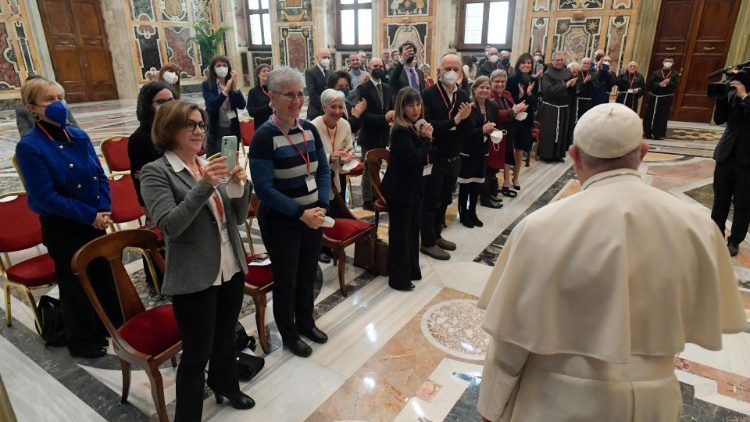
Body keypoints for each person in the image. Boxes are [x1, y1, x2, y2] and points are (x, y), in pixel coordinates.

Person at [476, 103, 747, 422]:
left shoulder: (541, 227)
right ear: (643, 151)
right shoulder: (698, 227)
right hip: (654, 402)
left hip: (556, 401)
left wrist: (490, 410)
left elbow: (510, 343)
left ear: (574, 155)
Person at [140, 100, 254, 421]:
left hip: (229, 265)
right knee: (196, 353)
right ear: (169, 129)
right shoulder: (157, 172)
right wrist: (204, 185)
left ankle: (227, 386)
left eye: (201, 124)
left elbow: (238, 215)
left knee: (225, 337)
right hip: (194, 274)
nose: (199, 130)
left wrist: (239, 184)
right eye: (190, 124)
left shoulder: (209, 162)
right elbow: (170, 225)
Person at [15, 77, 121, 358]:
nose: (58, 104)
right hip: (64, 226)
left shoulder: (79, 136)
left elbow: (99, 175)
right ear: (32, 107)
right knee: (75, 284)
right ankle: (83, 339)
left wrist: (104, 208)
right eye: (49, 99)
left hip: (95, 219)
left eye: (60, 97)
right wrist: (90, 216)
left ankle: (111, 325)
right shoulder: (30, 146)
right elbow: (45, 197)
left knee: (103, 274)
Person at [249, 66, 331, 358]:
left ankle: (306, 322)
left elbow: (322, 168)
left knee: (309, 273)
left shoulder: (308, 129)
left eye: (300, 94)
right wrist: (300, 213)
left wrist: (322, 203)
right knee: (287, 279)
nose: (297, 101)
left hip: (313, 216)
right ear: (272, 97)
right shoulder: (264, 136)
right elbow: (264, 189)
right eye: (290, 95)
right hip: (282, 221)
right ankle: (289, 334)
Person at [419, 53, 473, 260]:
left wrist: (462, 120)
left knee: (445, 199)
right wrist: (455, 121)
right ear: (439, 70)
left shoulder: (462, 95)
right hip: (435, 157)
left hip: (454, 156)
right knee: (430, 200)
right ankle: (427, 242)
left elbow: (467, 128)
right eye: (447, 68)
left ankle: (437, 234)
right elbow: (430, 125)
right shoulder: (428, 94)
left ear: (461, 72)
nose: (451, 73)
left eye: (455, 69)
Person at [380, 88, 433, 291]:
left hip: (411, 187)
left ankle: (411, 270)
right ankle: (398, 279)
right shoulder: (400, 131)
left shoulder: (412, 127)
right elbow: (414, 160)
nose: (416, 108)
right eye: (411, 105)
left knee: (412, 231)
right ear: (402, 107)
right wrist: (427, 140)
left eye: (418, 104)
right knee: (401, 235)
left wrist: (426, 139)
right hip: (400, 191)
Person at [711, 75, 750, 257]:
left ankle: (734, 240)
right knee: (721, 198)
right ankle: (715, 234)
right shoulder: (732, 95)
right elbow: (719, 120)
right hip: (726, 154)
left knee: (743, 202)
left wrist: (745, 97)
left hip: (747, 159)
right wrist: (721, 98)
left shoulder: (742, 95)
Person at [458, 76, 498, 228]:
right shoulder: (469, 106)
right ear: (474, 89)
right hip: (468, 151)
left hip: (483, 150)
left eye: (487, 88)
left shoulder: (492, 106)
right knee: (466, 184)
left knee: (477, 184)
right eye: (481, 87)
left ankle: (473, 212)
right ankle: (463, 215)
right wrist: (483, 130)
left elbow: (493, 124)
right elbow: (465, 132)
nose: (485, 90)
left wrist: (493, 131)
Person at [128, 81, 175, 207]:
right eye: (161, 102)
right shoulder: (139, 138)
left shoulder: (177, 128)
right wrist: (145, 208)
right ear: (149, 105)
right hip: (159, 198)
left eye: (171, 100)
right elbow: (139, 177)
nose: (168, 105)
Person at [356, 58, 394, 211]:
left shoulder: (386, 87)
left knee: (377, 166)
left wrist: (392, 115)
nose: (378, 68)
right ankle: (367, 200)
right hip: (369, 134)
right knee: (367, 168)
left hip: (383, 134)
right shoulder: (363, 88)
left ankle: (376, 194)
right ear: (369, 68)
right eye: (375, 66)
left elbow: (389, 107)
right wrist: (383, 118)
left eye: (380, 66)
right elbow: (363, 115)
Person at [311, 89, 355, 221]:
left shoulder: (345, 124)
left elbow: (349, 147)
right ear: (324, 107)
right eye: (333, 107)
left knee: (338, 214)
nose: (337, 111)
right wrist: (329, 157)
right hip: (319, 178)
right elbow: (310, 157)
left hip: (338, 176)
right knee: (324, 216)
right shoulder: (313, 126)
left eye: (341, 107)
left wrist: (346, 157)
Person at [492, 69, 529, 199]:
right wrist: (513, 111)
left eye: (503, 81)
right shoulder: (489, 95)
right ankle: (491, 187)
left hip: (509, 130)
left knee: (508, 156)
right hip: (496, 134)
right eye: (497, 81)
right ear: (491, 82)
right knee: (493, 164)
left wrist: (519, 109)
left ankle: (506, 181)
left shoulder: (507, 93)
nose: (500, 84)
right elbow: (496, 113)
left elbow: (512, 108)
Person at [202, 55, 246, 156]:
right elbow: (212, 106)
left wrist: (235, 87)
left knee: (231, 159)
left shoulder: (231, 83)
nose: (222, 67)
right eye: (218, 65)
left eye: (224, 65)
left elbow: (242, 105)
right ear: (213, 68)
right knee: (217, 159)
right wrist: (226, 89)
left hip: (232, 126)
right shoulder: (207, 84)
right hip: (216, 128)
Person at [538, 52, 575, 162]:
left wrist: (573, 85)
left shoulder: (567, 72)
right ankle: (546, 156)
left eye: (561, 60)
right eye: (557, 60)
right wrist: (564, 85)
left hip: (563, 108)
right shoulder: (547, 74)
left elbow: (571, 91)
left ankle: (558, 155)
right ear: (552, 60)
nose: (559, 62)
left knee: (561, 132)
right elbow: (548, 91)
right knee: (550, 132)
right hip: (550, 108)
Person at [506, 54, 538, 178]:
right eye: (523, 62)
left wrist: (529, 94)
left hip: (526, 119)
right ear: (518, 64)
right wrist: (519, 96)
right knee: (509, 148)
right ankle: (507, 179)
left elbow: (535, 105)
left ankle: (516, 177)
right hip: (513, 118)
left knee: (520, 148)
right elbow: (507, 101)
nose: (526, 65)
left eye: (529, 63)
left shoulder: (534, 80)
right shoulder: (512, 79)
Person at [643, 57, 680, 140]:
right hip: (655, 97)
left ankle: (658, 134)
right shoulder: (656, 73)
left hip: (665, 97)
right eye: (666, 61)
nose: (668, 62)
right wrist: (660, 84)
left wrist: (669, 82)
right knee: (650, 115)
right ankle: (647, 132)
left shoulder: (675, 74)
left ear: (673, 63)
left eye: (670, 61)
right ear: (663, 62)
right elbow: (650, 83)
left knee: (662, 115)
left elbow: (676, 85)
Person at [305, 48, 332, 120]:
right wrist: (325, 106)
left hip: (329, 111)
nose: (326, 59)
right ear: (317, 58)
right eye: (324, 57)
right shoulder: (310, 72)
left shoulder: (330, 73)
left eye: (328, 57)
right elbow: (312, 92)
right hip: (316, 111)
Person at [246, 64, 272, 130]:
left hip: (275, 126)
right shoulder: (253, 92)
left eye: (268, 71)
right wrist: (268, 106)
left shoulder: (275, 90)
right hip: (261, 127)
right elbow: (251, 112)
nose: (266, 72)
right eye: (264, 71)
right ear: (258, 75)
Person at [575, 57, 598, 122]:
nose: (586, 65)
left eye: (588, 63)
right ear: (581, 64)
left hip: (589, 102)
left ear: (590, 65)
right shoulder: (577, 73)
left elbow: (596, 88)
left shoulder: (593, 74)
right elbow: (576, 88)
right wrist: (584, 82)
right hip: (577, 101)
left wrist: (590, 81)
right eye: (584, 63)